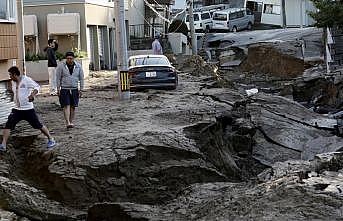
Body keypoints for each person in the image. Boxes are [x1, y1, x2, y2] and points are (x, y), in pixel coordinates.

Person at [0, 66, 56, 151]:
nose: (10, 77)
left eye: (10, 75)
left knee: (38, 125)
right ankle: (3, 145)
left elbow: (37, 87)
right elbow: (16, 92)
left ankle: (51, 139)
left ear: (15, 74)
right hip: (17, 110)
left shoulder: (26, 80)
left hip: (28, 110)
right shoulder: (13, 82)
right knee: (8, 125)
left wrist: (32, 95)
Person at [56, 51, 84, 129]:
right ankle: (67, 122)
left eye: (71, 58)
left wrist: (81, 89)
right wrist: (58, 89)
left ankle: (71, 121)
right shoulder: (61, 66)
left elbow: (81, 78)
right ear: (66, 58)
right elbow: (58, 78)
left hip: (75, 89)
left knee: (73, 106)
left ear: (73, 58)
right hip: (64, 89)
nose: (69, 60)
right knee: (66, 105)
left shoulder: (78, 66)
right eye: (68, 58)